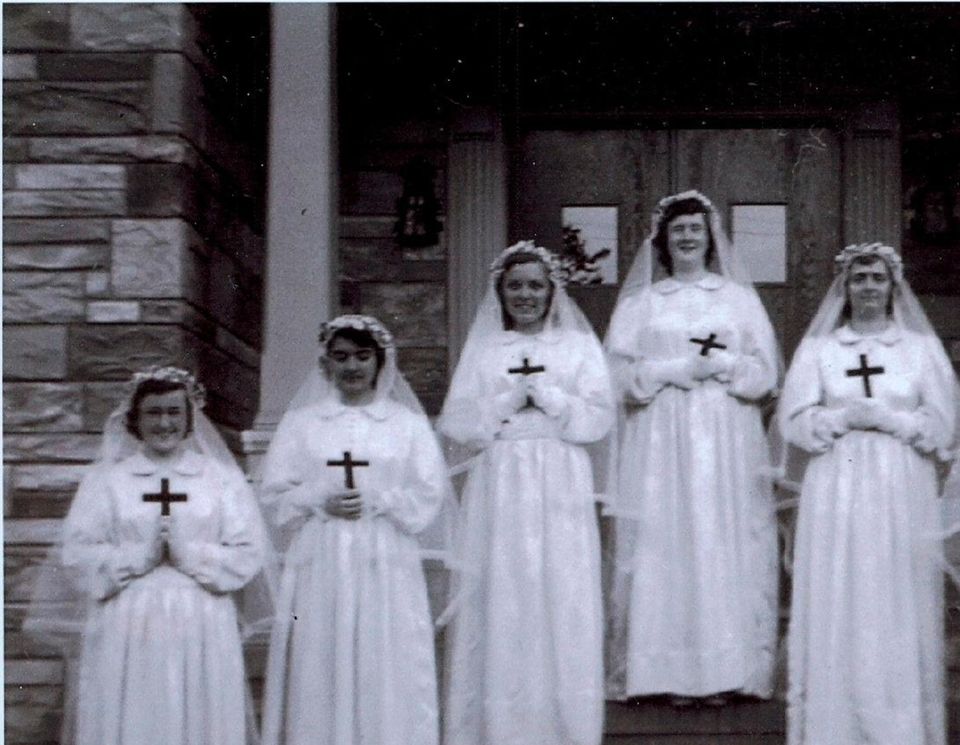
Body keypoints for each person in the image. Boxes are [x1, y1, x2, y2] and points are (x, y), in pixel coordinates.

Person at [25, 366, 269, 745]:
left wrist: (191, 554)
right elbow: (78, 553)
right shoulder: (110, 480)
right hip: (129, 618)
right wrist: (138, 556)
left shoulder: (218, 479)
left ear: (190, 419)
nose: (164, 422)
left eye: (174, 412)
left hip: (201, 615)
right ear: (135, 419)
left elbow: (248, 549)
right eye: (154, 412)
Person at [603, 190, 780, 705]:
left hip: (725, 436)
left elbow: (765, 371)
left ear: (710, 238)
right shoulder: (642, 304)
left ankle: (728, 670)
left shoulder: (737, 300)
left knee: (722, 539)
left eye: (695, 229)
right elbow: (617, 375)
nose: (686, 237)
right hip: (660, 438)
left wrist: (724, 367)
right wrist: (674, 370)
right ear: (663, 240)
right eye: (677, 229)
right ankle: (663, 674)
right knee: (665, 542)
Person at [778, 243, 959, 745]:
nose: (869, 287)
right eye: (859, 279)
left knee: (894, 591)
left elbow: (944, 424)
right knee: (841, 588)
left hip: (901, 482)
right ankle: (837, 726)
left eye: (877, 278)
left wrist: (893, 419)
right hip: (837, 479)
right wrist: (839, 417)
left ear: (893, 286)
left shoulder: (919, 350)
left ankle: (897, 727)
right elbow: (794, 420)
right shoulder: (821, 350)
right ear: (845, 287)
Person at [439, 241, 614, 745]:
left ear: (552, 290)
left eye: (536, 285)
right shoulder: (487, 349)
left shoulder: (577, 348)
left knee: (560, 589)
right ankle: (500, 725)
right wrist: (505, 403)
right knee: (505, 589)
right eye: (515, 285)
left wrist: (553, 400)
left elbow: (598, 416)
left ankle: (564, 727)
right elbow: (458, 422)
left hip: (560, 473)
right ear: (500, 292)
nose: (526, 294)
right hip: (502, 476)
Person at [259, 314, 454, 745]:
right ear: (326, 362)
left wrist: (381, 500)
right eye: (341, 356)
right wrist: (317, 498)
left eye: (363, 356)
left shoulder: (405, 424)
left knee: (384, 654)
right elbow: (274, 494)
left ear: (380, 361)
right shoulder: (304, 423)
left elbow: (428, 493)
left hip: (383, 552)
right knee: (320, 653)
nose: (352, 367)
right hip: (322, 550)